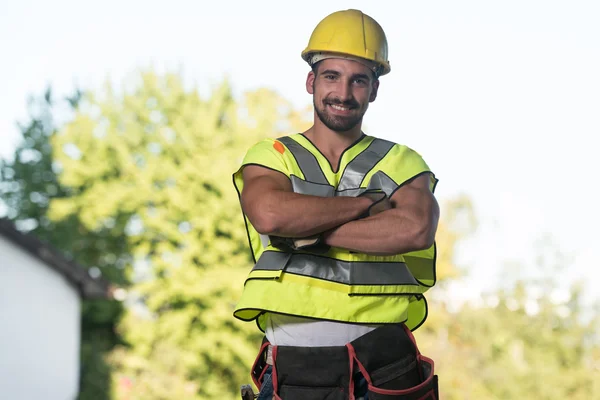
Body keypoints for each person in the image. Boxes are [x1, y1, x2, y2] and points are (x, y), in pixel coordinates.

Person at [233, 9, 441, 400]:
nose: (343, 93)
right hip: (295, 369)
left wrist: (304, 230)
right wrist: (366, 203)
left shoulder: (403, 162)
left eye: (358, 80)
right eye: (332, 76)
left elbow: (414, 228)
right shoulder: (274, 153)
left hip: (387, 365)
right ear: (311, 81)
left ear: (374, 89)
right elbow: (270, 214)